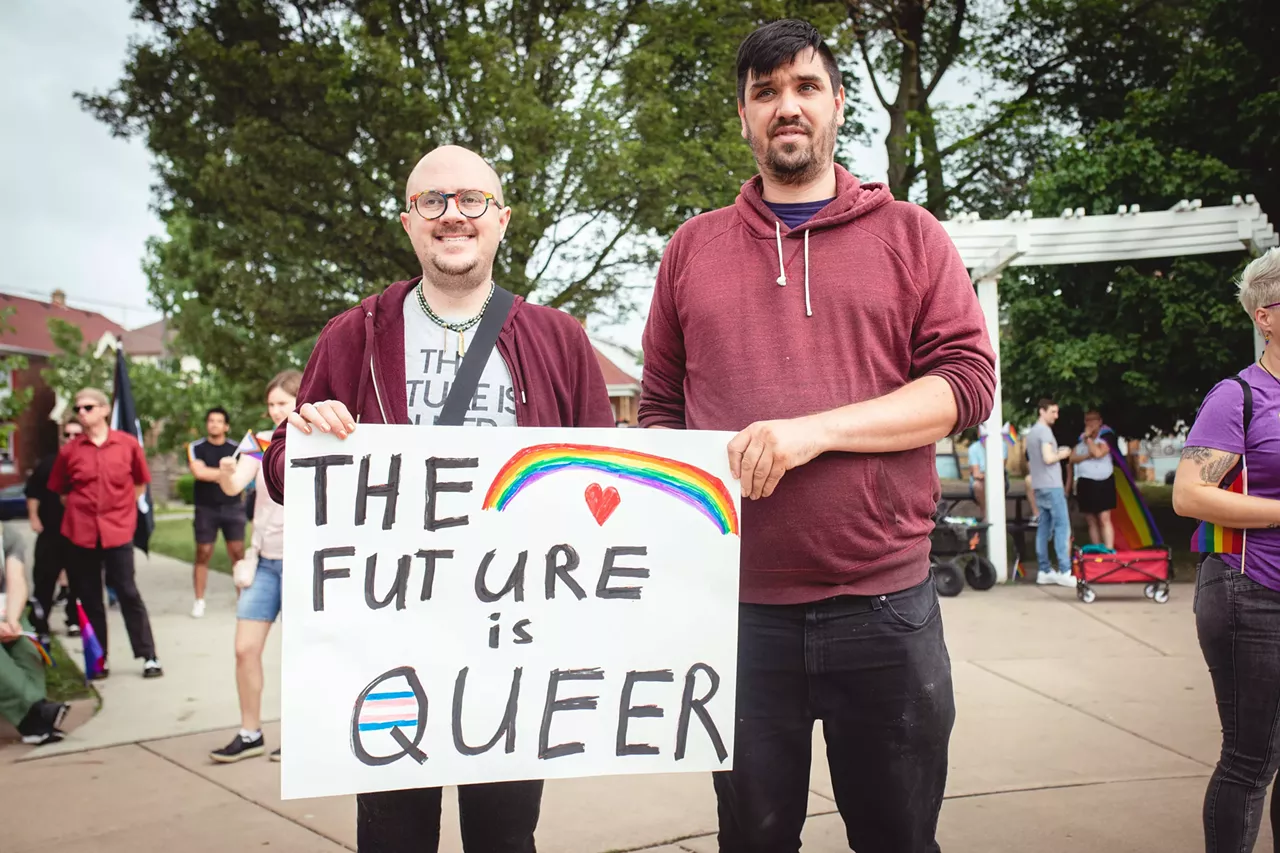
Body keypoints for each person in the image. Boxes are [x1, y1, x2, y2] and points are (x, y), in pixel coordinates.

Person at [638, 20, 995, 851]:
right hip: (739, 617)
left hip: (886, 608)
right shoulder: (690, 250)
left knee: (898, 837)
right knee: (753, 839)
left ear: (838, 102)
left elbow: (967, 385)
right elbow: (659, 408)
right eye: (765, 93)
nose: (786, 107)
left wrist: (813, 433)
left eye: (804, 87)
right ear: (743, 118)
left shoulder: (911, 234)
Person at [261, 144, 613, 852]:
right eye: (433, 202)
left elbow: (607, 474)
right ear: (408, 223)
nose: (453, 214)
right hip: (389, 642)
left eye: (472, 200)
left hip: (513, 641)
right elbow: (280, 468)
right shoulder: (352, 335)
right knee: (393, 834)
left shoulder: (559, 340)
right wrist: (304, 440)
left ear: (502, 219)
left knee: (506, 836)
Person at [1173, 247, 1280, 852]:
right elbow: (1189, 495)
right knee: (1251, 756)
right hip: (1250, 592)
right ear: (1264, 316)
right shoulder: (1238, 396)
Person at [208, 370, 300, 764]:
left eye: (282, 403)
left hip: (304, 563)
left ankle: (301, 735)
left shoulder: (318, 440)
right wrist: (228, 475)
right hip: (264, 561)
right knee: (245, 649)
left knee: (301, 655)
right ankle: (251, 733)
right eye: (271, 404)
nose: (275, 410)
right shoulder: (261, 443)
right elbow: (233, 486)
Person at [48, 388, 163, 680]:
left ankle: (148, 655)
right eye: (78, 409)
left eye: (87, 407)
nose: (81, 413)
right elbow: (61, 491)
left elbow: (139, 484)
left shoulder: (127, 445)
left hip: (118, 530)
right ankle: (99, 660)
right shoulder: (70, 451)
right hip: (80, 533)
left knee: (127, 591)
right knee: (89, 598)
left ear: (103, 410)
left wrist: (121, 511)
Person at [0, 522, 69, 745]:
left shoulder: (7, 535)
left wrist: (12, 620)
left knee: (28, 649)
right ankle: (36, 716)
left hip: (4, 611)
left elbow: (17, 581)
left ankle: (34, 718)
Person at [25, 412, 82, 640]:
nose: (70, 438)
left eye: (76, 434)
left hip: (79, 533)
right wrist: (34, 517)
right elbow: (33, 493)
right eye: (66, 434)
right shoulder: (48, 464)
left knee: (79, 581)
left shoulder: (90, 463)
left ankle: (75, 621)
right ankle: (40, 623)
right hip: (51, 531)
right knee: (44, 579)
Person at [186, 406, 246, 618]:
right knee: (203, 553)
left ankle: (243, 602)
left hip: (233, 507)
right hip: (206, 508)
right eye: (211, 421)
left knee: (238, 553)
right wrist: (226, 473)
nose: (214, 424)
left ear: (226, 426)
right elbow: (199, 472)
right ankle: (199, 601)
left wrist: (224, 474)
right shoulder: (196, 447)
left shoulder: (238, 448)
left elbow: (245, 474)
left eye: (219, 421)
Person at [1024, 399, 1076, 586]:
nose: (1056, 415)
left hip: (1038, 485)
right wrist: (1063, 454)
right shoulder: (1045, 432)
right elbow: (1048, 458)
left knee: (1044, 527)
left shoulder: (1031, 434)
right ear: (1042, 411)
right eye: (1053, 411)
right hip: (1052, 485)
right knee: (1063, 526)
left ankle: (1044, 570)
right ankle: (1065, 570)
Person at [1071, 409, 1117, 550]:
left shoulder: (1106, 437)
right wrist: (1086, 455)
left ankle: (1109, 549)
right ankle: (1097, 549)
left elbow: (1098, 453)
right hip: (1086, 483)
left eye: (1093, 420)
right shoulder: (1080, 442)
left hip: (1103, 482)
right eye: (1087, 420)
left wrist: (1089, 439)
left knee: (1104, 518)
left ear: (1099, 421)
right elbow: (1072, 458)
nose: (1090, 423)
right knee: (1091, 519)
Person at [968, 426, 1008, 519]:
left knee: (998, 484)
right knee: (978, 485)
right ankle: (986, 515)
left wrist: (987, 475)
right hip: (981, 482)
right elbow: (976, 474)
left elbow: (1000, 469)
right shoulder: (973, 449)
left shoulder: (1002, 446)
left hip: (997, 480)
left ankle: (994, 518)